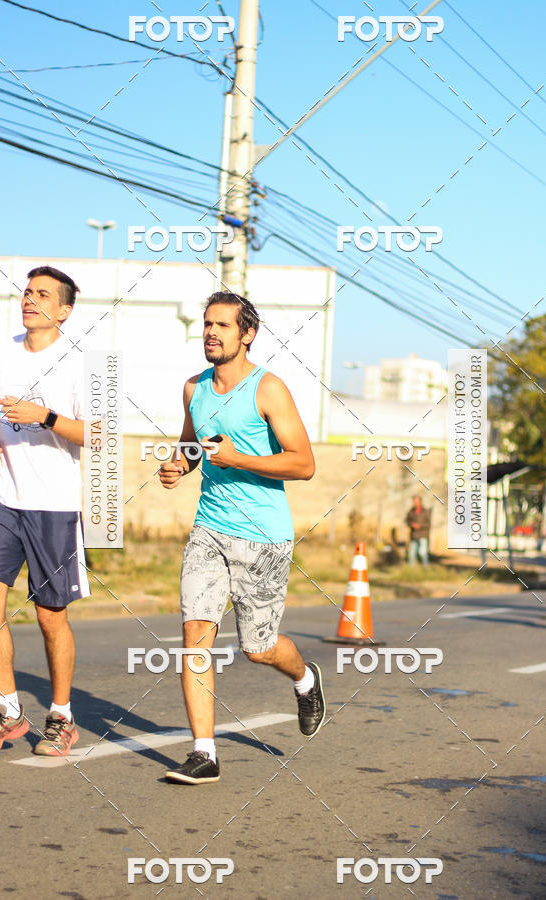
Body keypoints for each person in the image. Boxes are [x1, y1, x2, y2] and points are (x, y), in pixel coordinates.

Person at [160, 291, 325, 785]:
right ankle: (204, 753)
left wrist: (240, 459)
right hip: (209, 529)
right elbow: (192, 445)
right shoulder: (194, 389)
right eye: (208, 324)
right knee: (195, 637)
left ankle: (305, 677)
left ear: (246, 334)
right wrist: (179, 465)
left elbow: (304, 463)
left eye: (223, 326)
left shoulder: (267, 389)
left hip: (263, 536)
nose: (211, 332)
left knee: (258, 647)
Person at [0, 266, 90, 757]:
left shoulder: (78, 362)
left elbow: (101, 436)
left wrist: (44, 416)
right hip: (0, 496)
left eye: (43, 294)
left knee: (51, 618)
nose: (30, 299)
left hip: (53, 505)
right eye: (27, 291)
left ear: (64, 311)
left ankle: (62, 717)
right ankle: (7, 710)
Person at [406, 495, 431, 566]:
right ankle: (411, 571)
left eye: (417, 502)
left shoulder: (426, 511)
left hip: (423, 535)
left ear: (420, 502)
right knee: (411, 554)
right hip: (413, 535)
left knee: (423, 553)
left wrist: (420, 526)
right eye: (414, 502)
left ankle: (426, 569)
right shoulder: (411, 511)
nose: (415, 503)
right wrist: (411, 524)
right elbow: (407, 521)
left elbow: (428, 524)